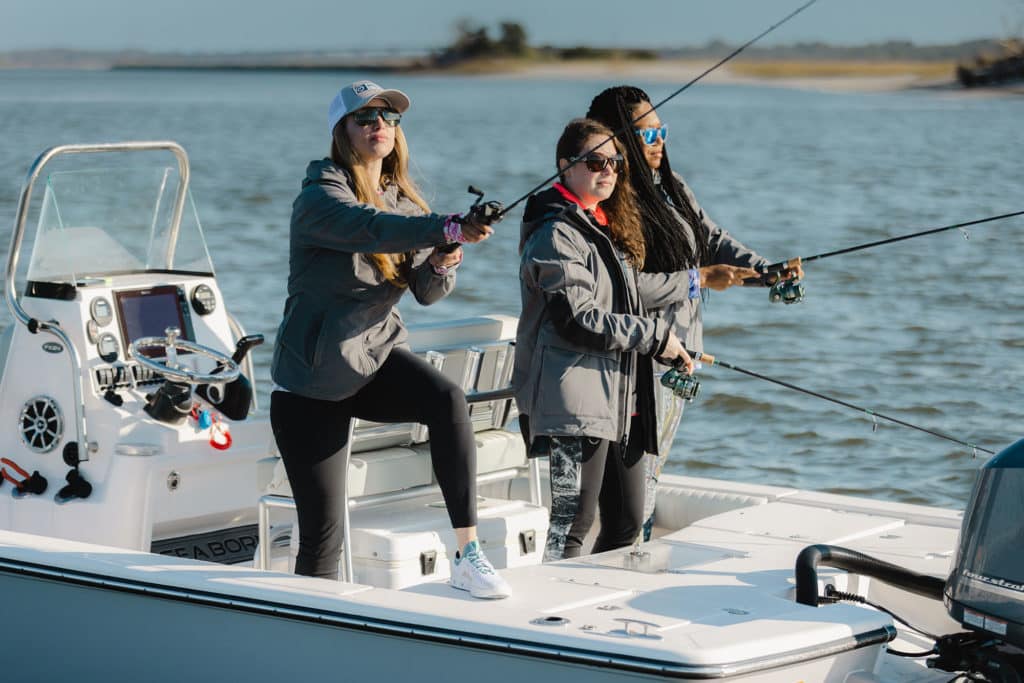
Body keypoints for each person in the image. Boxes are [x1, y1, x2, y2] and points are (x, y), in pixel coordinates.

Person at [269, 80, 510, 599]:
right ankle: (309, 629)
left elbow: (426, 291)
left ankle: (467, 555)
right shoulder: (320, 197)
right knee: (322, 540)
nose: (380, 125)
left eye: (390, 117)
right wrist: (447, 227)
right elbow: (370, 227)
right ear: (343, 132)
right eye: (366, 118)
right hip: (312, 380)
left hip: (373, 358)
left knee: (446, 398)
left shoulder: (403, 201)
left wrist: (447, 254)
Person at [586, 86, 803, 539]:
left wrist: (766, 271)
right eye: (648, 134)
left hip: (681, 360)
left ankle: (629, 557)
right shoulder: (612, 203)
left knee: (649, 479)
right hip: (641, 367)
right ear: (619, 141)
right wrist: (698, 278)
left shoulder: (672, 187)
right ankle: (616, 568)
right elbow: (621, 291)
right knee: (633, 494)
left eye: (661, 130)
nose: (660, 140)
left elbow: (711, 239)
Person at [513, 117, 694, 562]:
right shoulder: (555, 233)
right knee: (570, 527)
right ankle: (548, 619)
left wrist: (697, 280)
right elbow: (579, 319)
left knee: (627, 521)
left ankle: (588, 603)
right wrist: (655, 337)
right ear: (564, 167)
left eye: (615, 162)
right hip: (573, 405)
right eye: (595, 161)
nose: (608, 170)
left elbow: (629, 294)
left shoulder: (601, 229)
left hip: (622, 403)